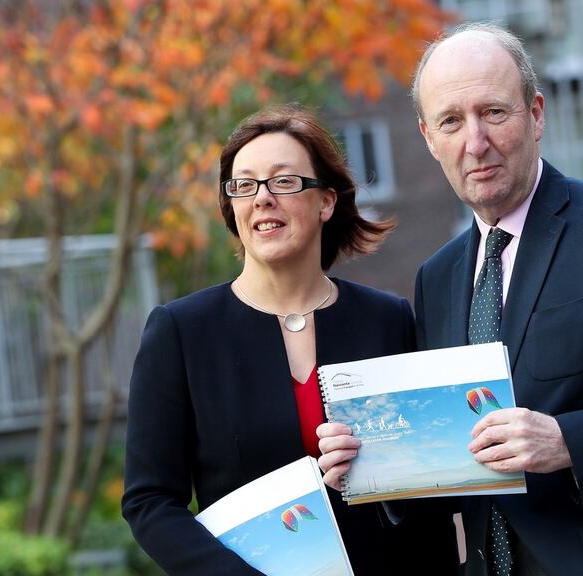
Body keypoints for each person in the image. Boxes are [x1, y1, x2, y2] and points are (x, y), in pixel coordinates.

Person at [319, 23, 583, 576]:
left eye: (494, 112)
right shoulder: (437, 278)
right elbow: (459, 458)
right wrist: (377, 463)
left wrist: (570, 441)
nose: (475, 142)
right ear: (428, 137)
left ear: (536, 114)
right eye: (451, 121)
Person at [122, 104, 457, 575]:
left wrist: (378, 472)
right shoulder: (181, 331)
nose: (262, 198)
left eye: (283, 181)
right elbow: (150, 502)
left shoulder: (387, 320)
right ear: (231, 206)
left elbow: (427, 487)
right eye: (244, 185)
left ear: (326, 202)